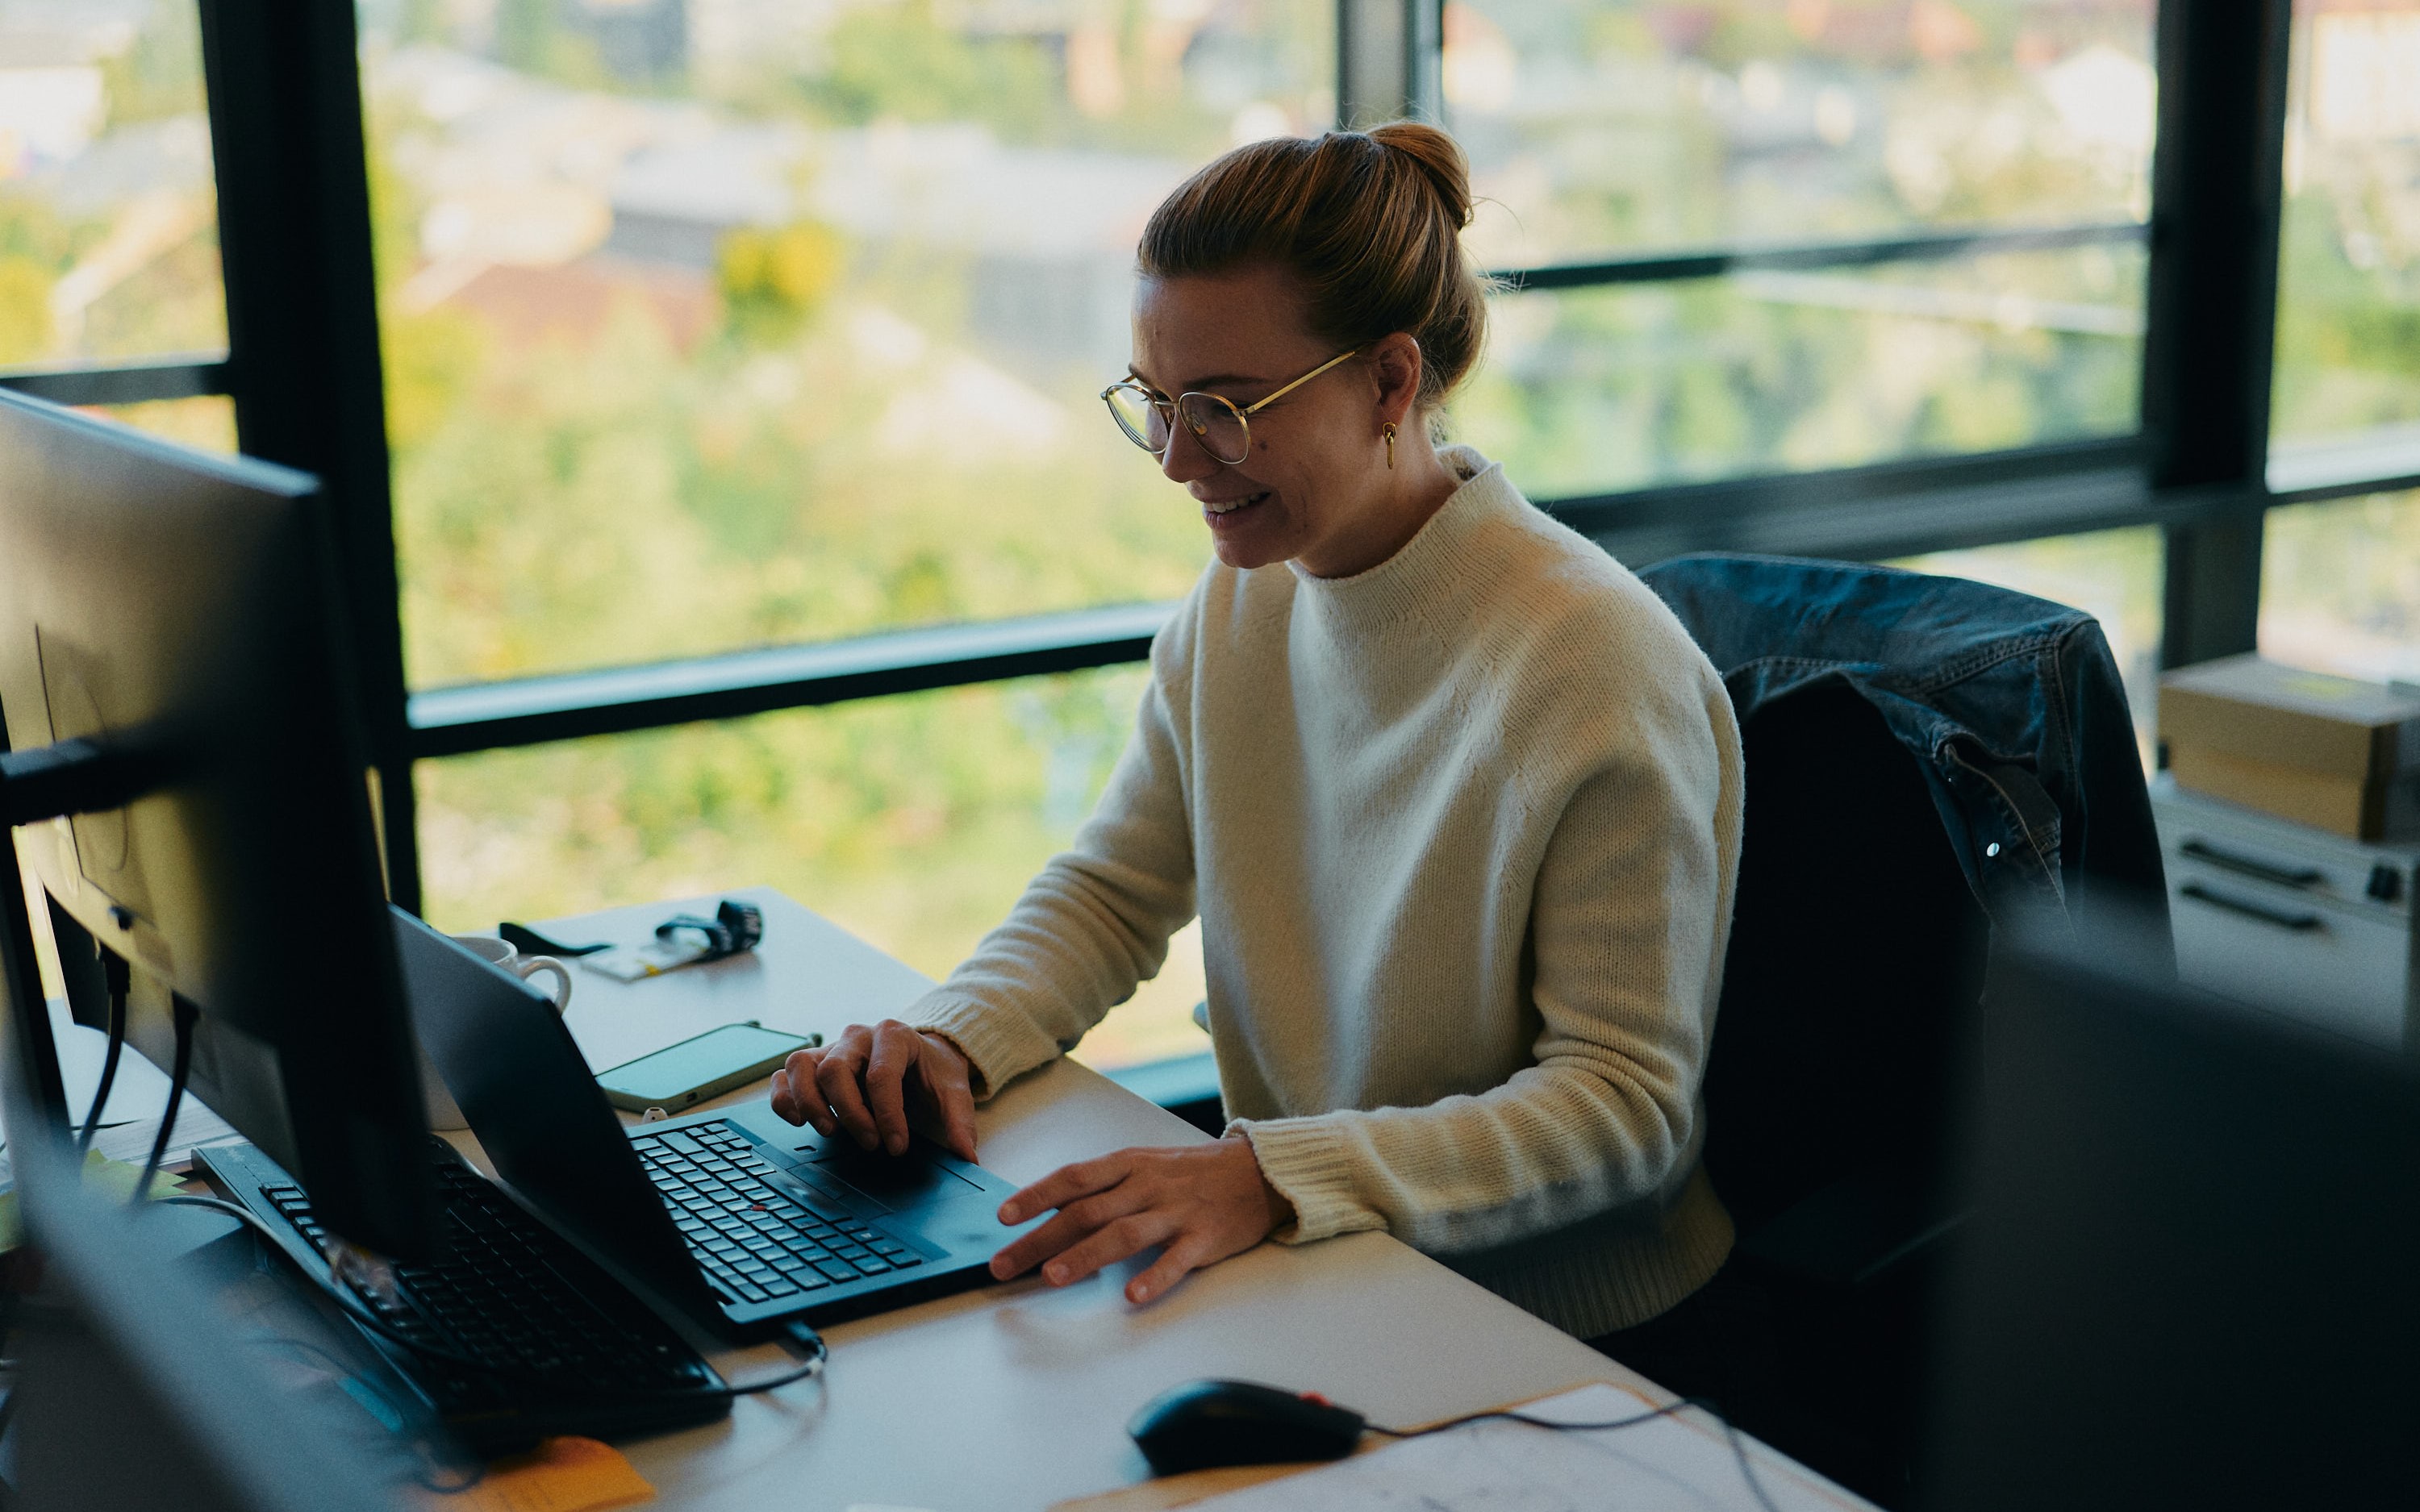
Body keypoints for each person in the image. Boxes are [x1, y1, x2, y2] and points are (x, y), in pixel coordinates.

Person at [769, 122, 1746, 1345]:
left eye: (1227, 409)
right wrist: (948, 1044)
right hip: (1326, 1268)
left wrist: (1273, 1176)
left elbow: (1623, 1109)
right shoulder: (1243, 601)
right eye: (1158, 403)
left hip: (1567, 1338)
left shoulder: (1596, 663)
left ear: (1391, 382)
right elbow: (1116, 891)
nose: (1180, 461)